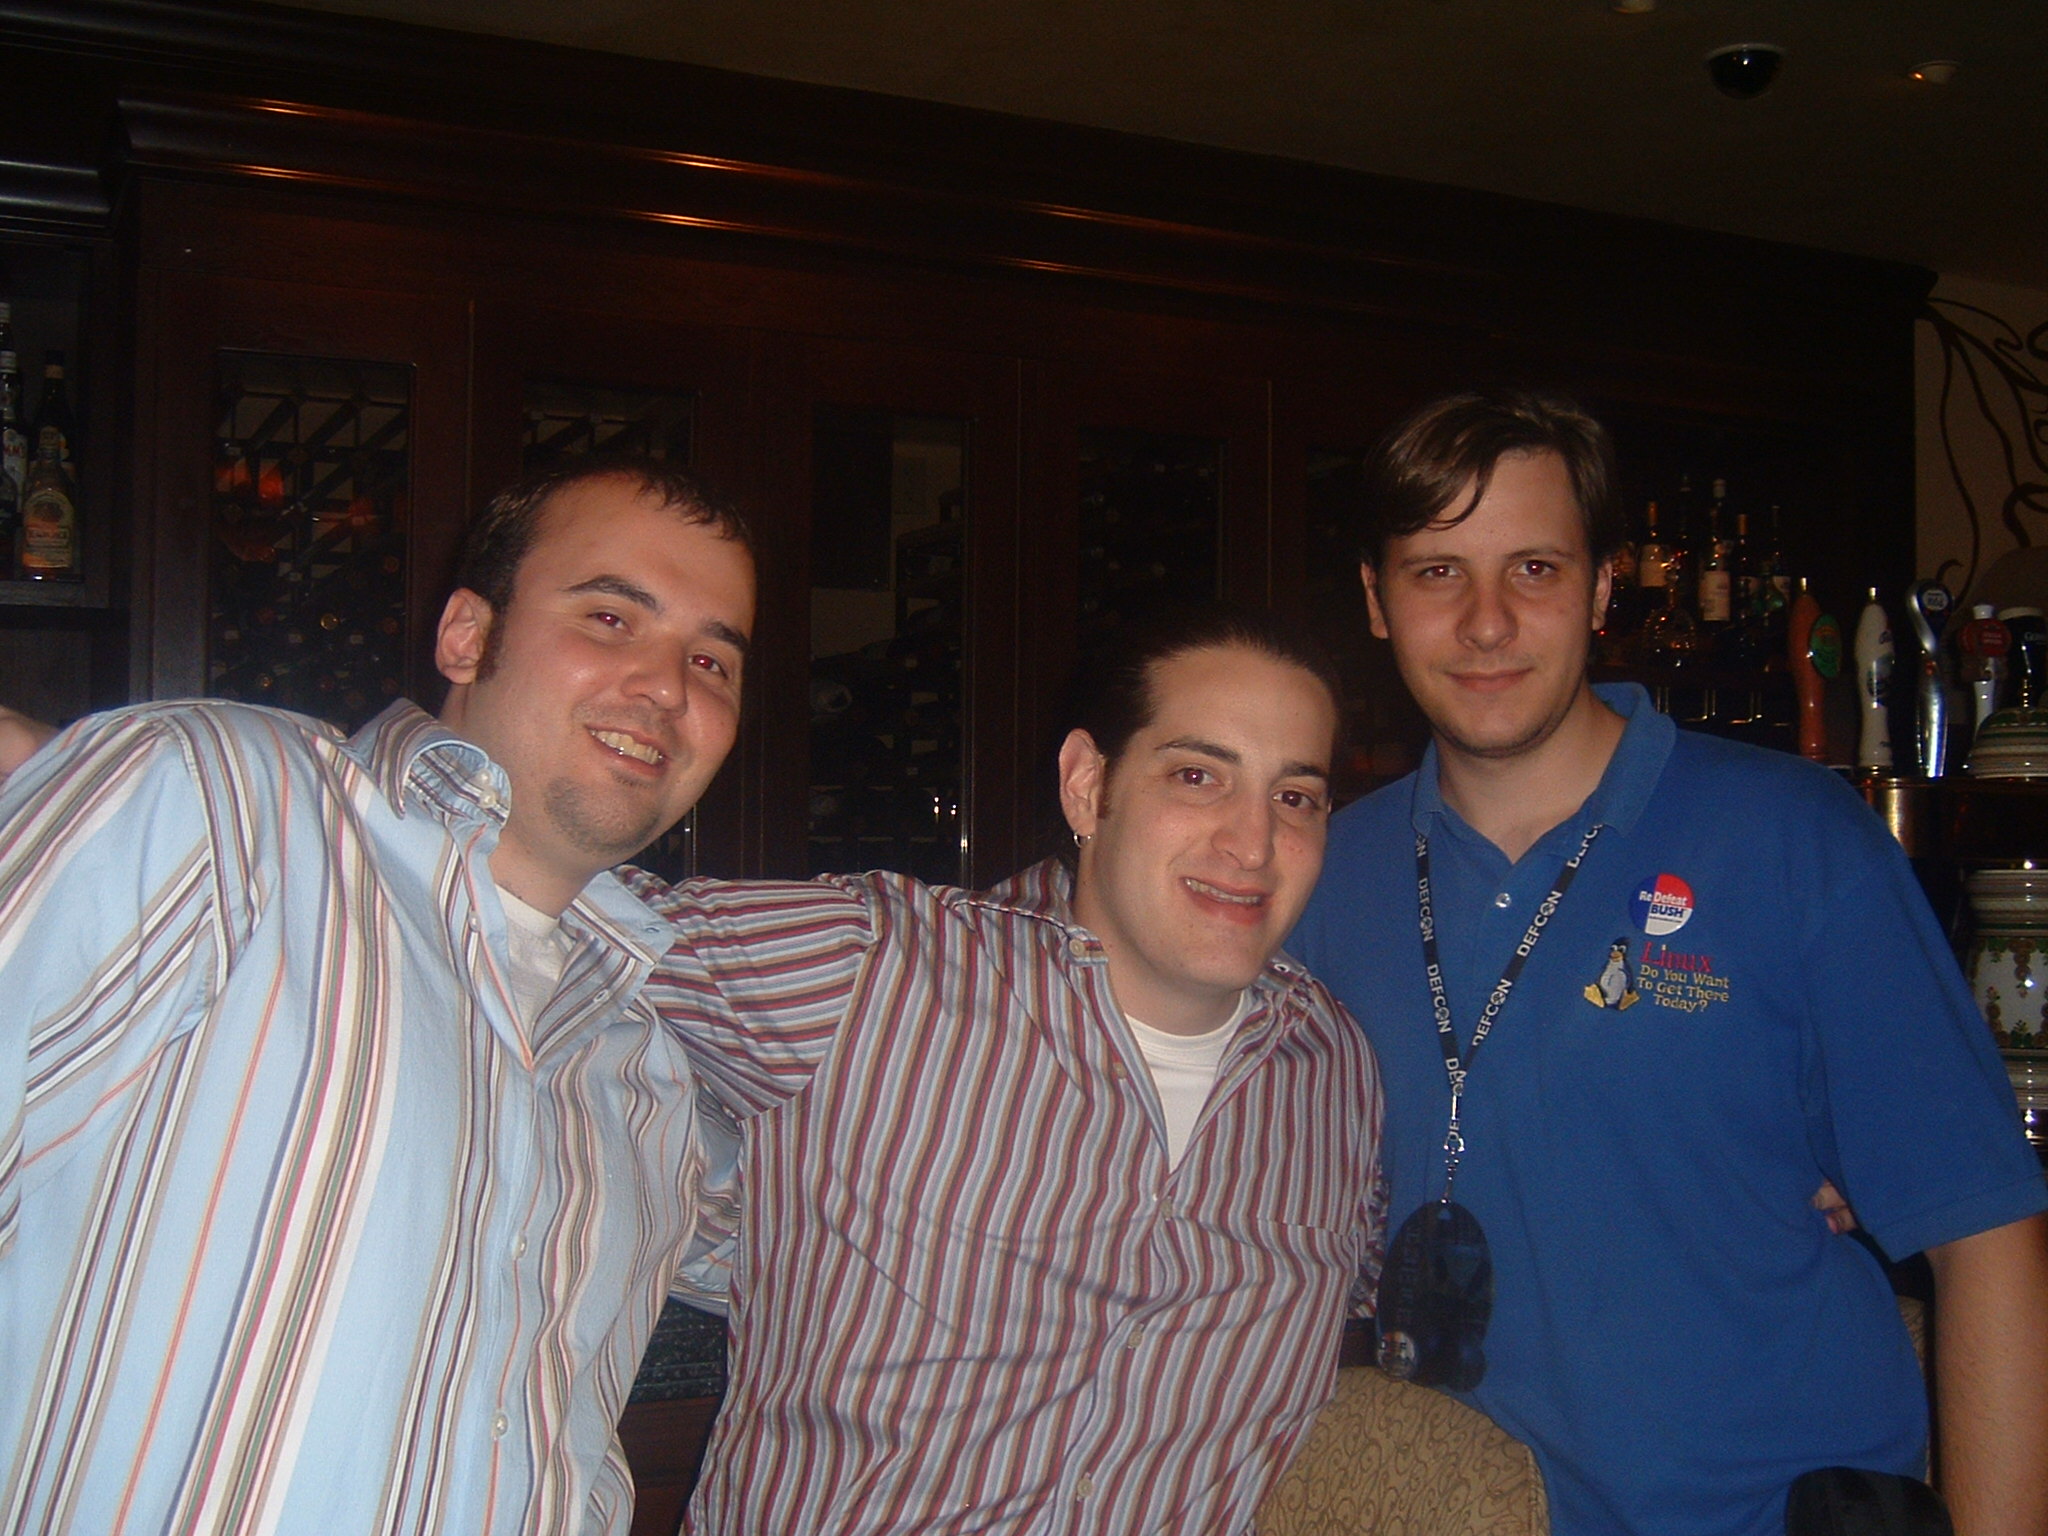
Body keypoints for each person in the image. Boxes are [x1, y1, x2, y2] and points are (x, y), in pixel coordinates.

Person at [1291, 387, 2048, 1536]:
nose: (1486, 622)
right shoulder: (1315, 872)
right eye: (1436, 571)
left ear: (1603, 588)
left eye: (1533, 569)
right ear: (1374, 600)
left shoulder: (1795, 838)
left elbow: (1984, 1239)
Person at [0, 458, 756, 1535]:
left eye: (711, 661)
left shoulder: (645, 1075)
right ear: (467, 637)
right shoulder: (220, 806)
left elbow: (860, 1237)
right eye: (608, 617)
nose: (670, 688)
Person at [642, 605, 1387, 1535]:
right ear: (1087, 785)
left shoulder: (1333, 1071)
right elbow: (542, 924)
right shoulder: (873, 967)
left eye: (1295, 798)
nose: (1253, 844)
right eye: (1197, 776)